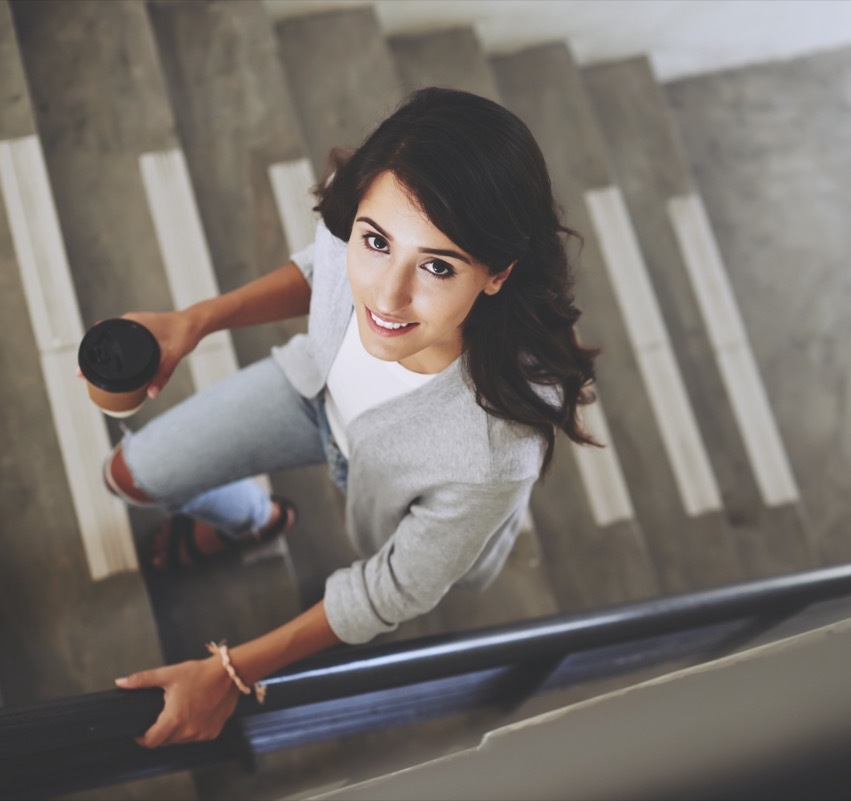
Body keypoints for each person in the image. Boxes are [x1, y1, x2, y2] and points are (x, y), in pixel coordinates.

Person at [101, 87, 599, 748]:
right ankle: (257, 520)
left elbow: (389, 590)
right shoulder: (367, 195)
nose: (385, 296)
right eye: (375, 241)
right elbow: (325, 269)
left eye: (438, 265)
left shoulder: (494, 454)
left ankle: (255, 520)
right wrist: (196, 321)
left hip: (391, 477)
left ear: (497, 273)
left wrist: (230, 669)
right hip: (313, 391)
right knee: (128, 475)